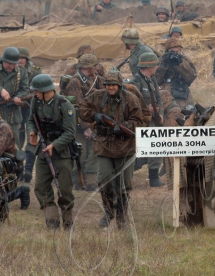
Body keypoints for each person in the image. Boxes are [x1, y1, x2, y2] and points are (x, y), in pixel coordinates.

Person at [79, 70, 145, 229]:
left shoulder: (131, 99)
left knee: (125, 185)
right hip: (104, 145)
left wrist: (122, 128)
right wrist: (96, 116)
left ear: (119, 85)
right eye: (108, 85)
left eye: (114, 85)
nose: (111, 88)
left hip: (126, 147)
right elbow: (82, 109)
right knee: (104, 180)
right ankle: (108, 212)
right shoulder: (97, 96)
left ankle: (122, 215)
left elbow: (139, 122)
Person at [28, 74, 77, 229]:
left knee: (64, 190)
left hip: (62, 154)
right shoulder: (36, 101)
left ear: (45, 90)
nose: (34, 93)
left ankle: (68, 223)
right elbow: (31, 120)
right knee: (41, 186)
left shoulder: (65, 105)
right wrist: (32, 132)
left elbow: (70, 133)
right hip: (43, 149)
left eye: (36, 90)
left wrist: (54, 146)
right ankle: (52, 222)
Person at [65, 54, 103, 192]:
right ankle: (79, 182)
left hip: (92, 122)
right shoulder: (75, 82)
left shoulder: (92, 79)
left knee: (93, 153)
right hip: (79, 124)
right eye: (94, 66)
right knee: (81, 154)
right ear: (88, 67)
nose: (96, 68)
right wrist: (86, 127)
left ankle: (91, 182)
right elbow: (79, 106)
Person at [129, 52, 165, 187]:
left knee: (156, 145)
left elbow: (159, 99)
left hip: (154, 120)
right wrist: (146, 109)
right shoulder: (135, 82)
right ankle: (126, 171)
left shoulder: (152, 80)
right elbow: (131, 103)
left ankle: (154, 177)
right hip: (141, 121)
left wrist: (160, 113)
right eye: (155, 65)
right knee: (141, 151)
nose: (157, 67)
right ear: (149, 66)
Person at [156, 36, 198, 110]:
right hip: (167, 92)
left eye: (177, 51)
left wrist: (180, 64)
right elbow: (156, 79)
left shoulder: (185, 60)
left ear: (180, 50)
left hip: (183, 92)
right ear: (167, 51)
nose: (175, 53)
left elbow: (192, 77)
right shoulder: (162, 60)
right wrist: (164, 64)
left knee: (188, 113)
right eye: (172, 51)